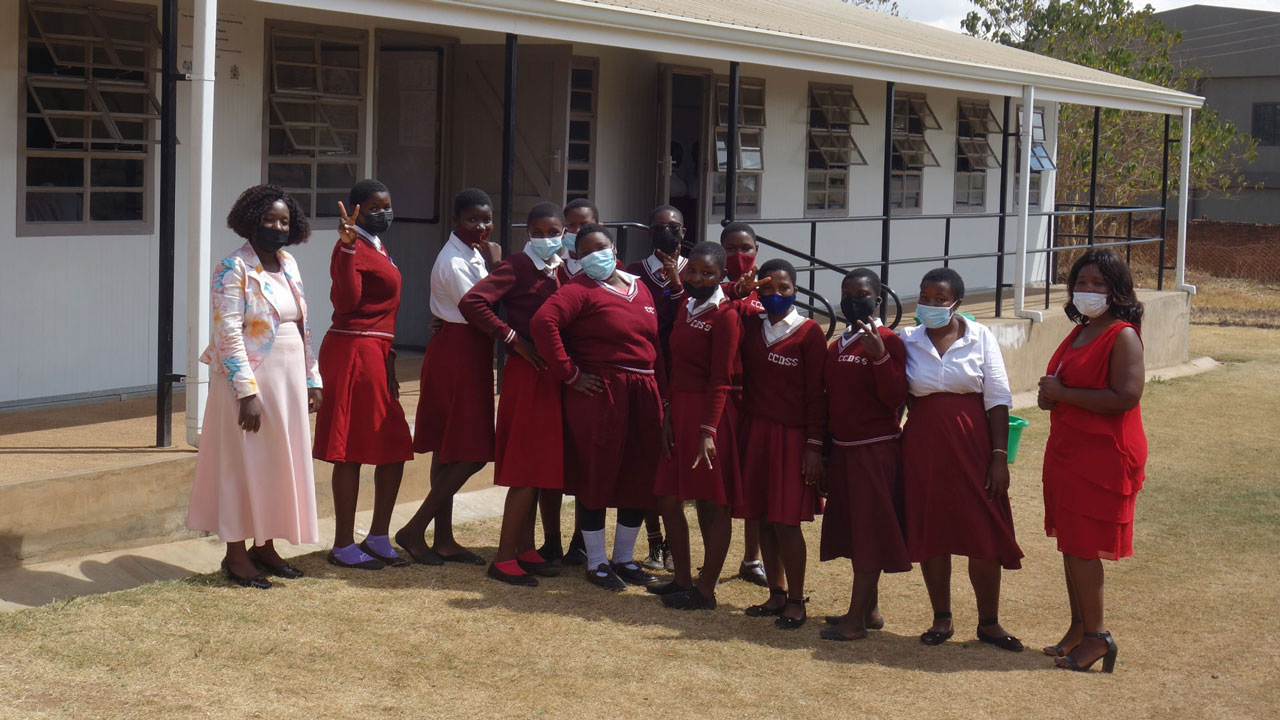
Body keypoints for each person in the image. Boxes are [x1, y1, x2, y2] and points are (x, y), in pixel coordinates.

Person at [187, 184, 322, 589]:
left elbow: (302, 324)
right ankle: (236, 555)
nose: (277, 227)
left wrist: (313, 378)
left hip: (289, 378)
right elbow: (227, 332)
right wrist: (247, 393)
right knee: (242, 467)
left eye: (284, 220)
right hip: (249, 381)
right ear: (251, 221)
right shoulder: (233, 268)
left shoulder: (289, 263)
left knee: (278, 462)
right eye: (269, 220)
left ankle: (266, 547)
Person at [530, 224, 664, 591]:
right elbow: (544, 322)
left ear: (614, 247)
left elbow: (655, 342)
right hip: (602, 391)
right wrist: (570, 374)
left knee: (638, 473)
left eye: (600, 248)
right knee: (597, 473)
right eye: (584, 253)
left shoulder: (640, 287)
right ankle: (597, 561)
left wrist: (662, 394)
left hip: (643, 389)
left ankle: (624, 558)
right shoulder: (580, 290)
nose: (594, 257)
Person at [900, 267, 1024, 651]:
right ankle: (942, 618)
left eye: (940, 299)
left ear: (957, 304)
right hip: (923, 449)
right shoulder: (906, 339)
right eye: (925, 297)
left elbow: (998, 398)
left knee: (982, 533)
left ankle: (989, 621)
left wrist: (999, 457)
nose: (931, 305)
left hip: (974, 448)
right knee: (932, 532)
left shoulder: (980, 337)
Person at [1038, 248, 1146, 673]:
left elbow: (1126, 396)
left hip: (1102, 455)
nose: (1088, 291)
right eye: (1081, 283)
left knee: (1084, 546)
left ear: (1116, 290)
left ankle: (1098, 637)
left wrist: (1062, 394)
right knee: (1070, 542)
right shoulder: (1081, 330)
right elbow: (1064, 385)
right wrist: (1051, 395)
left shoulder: (1121, 334)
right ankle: (1079, 627)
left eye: (1098, 284)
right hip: (1068, 449)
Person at [459, 202, 567, 586]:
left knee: (538, 470)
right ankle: (503, 558)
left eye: (552, 232)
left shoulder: (564, 268)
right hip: (527, 374)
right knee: (525, 469)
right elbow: (472, 301)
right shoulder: (519, 265)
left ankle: (525, 548)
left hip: (550, 377)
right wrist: (511, 338)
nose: (545, 239)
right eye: (536, 232)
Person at [312, 179, 414, 571]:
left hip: (377, 350)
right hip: (354, 349)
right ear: (355, 210)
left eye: (386, 205)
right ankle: (342, 544)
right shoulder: (350, 246)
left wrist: (389, 363)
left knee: (393, 443)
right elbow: (348, 300)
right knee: (352, 450)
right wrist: (348, 245)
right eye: (373, 207)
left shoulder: (377, 246)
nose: (383, 213)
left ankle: (378, 535)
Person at [397, 188, 501, 566]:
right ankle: (414, 529)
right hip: (458, 352)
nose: (482, 226)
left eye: (487, 219)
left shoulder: (471, 252)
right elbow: (480, 308)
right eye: (473, 219)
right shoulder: (455, 261)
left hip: (464, 348)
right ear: (457, 220)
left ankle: (443, 538)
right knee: (472, 452)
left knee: (448, 447)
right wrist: (500, 267)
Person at [818, 269, 910, 641]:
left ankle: (856, 621)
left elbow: (895, 397)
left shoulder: (889, 340)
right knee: (856, 532)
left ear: (878, 300)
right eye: (847, 293)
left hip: (875, 451)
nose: (854, 300)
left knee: (870, 533)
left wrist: (879, 357)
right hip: (842, 450)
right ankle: (868, 610)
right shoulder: (837, 343)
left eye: (863, 294)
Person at [650, 242, 743, 610]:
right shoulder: (685, 306)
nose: (699, 278)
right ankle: (682, 578)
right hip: (681, 410)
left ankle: (705, 590)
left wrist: (708, 431)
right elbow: (675, 367)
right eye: (694, 272)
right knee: (667, 498)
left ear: (722, 276)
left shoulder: (726, 314)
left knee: (711, 503)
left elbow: (721, 378)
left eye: (708, 273)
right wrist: (669, 413)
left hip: (711, 415)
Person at [736, 259, 826, 629]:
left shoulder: (808, 332)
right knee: (761, 518)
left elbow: (817, 394)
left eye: (784, 289)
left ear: (796, 291)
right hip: (755, 432)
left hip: (792, 438)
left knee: (787, 522)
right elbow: (723, 310)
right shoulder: (749, 326)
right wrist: (738, 292)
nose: (775, 296)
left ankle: (796, 599)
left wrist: (814, 445)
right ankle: (775, 592)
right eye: (767, 289)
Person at [628, 205, 689, 572]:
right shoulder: (634, 273)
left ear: (684, 231)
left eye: (674, 227)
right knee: (650, 455)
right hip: (648, 369)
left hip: (685, 373)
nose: (667, 232)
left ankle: (674, 539)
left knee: (676, 458)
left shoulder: (698, 270)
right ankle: (655, 542)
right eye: (659, 227)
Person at [543, 197, 602, 566]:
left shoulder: (613, 272)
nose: (576, 232)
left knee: (586, 464)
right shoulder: (551, 270)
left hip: (592, 380)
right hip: (557, 375)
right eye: (571, 226)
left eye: (585, 225)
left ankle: (582, 541)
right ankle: (550, 540)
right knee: (551, 463)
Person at [719, 221, 768, 586]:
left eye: (746, 246)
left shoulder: (771, 290)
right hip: (722, 394)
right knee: (719, 479)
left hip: (755, 395)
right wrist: (735, 292)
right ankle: (713, 558)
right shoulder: (712, 287)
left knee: (753, 476)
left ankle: (753, 559)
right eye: (731, 247)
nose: (740, 254)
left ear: (757, 250)